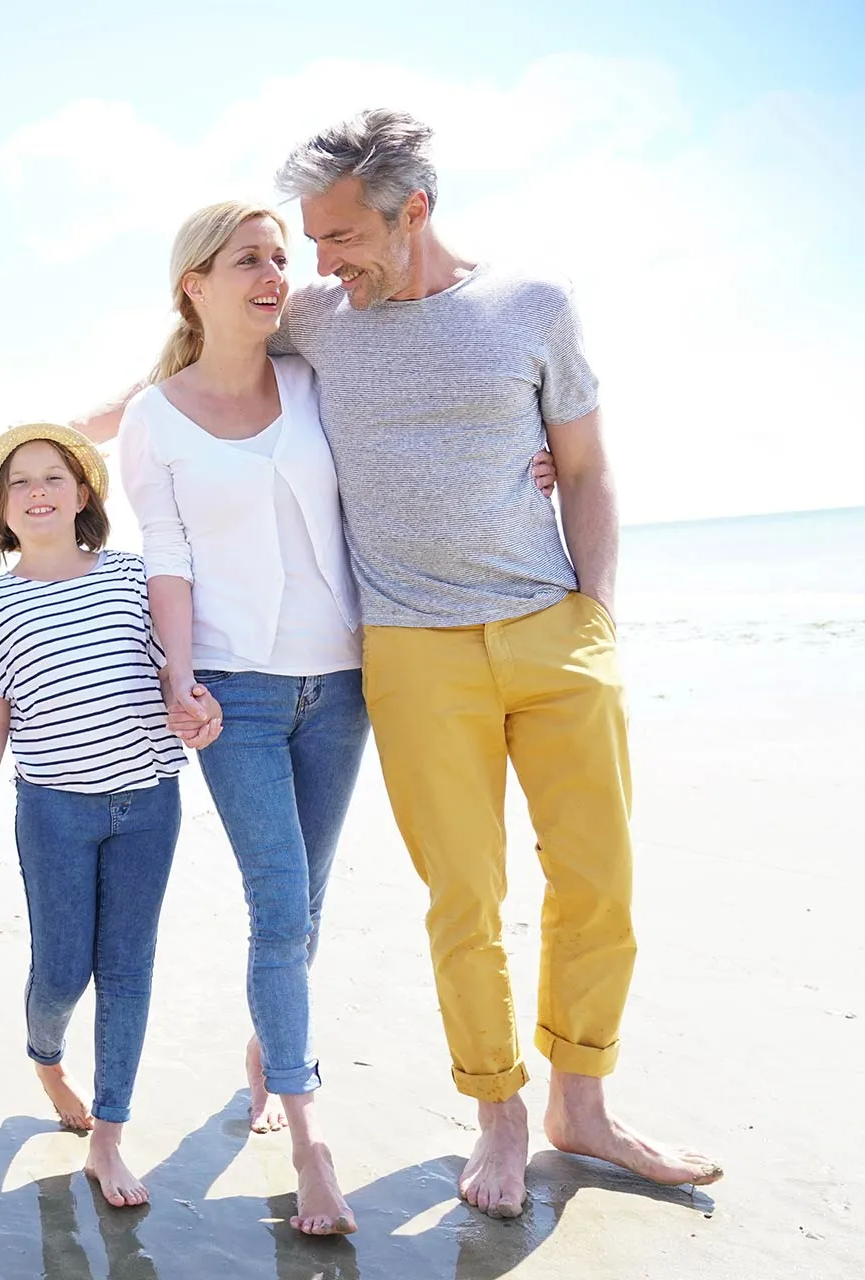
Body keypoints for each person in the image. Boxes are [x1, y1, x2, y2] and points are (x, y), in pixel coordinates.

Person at [268, 108, 721, 1216]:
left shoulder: (531, 305)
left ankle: (583, 1100)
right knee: (464, 897)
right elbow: (200, 360)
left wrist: (597, 614)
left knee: (598, 880)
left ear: (412, 209)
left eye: (339, 236)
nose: (319, 263)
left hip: (553, 631)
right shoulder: (320, 319)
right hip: (414, 650)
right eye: (311, 241)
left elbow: (588, 466)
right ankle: (500, 1112)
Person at [116, 201, 373, 1235]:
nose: (275, 275)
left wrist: (520, 470)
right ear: (194, 283)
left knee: (305, 895)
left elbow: (399, 466)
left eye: (279, 258)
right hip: (239, 692)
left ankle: (270, 1049)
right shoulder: (154, 416)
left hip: (345, 681)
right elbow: (165, 555)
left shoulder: (316, 381)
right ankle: (311, 1141)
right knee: (280, 902)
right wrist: (177, 673)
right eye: (249, 261)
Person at [0, 423, 209, 1211]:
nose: (37, 492)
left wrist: (194, 705)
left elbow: (179, 671)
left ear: (84, 493)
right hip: (53, 812)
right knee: (61, 973)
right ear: (0, 509)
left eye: (54, 477)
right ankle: (47, 1059)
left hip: (147, 806)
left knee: (127, 970)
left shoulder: (134, 578)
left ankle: (109, 1138)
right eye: (20, 483)